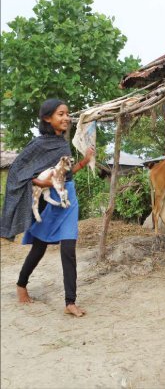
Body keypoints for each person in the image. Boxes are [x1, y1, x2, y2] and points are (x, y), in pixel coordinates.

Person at [0, 98, 95, 317]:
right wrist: (41, 182)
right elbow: (17, 172)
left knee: (68, 249)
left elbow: (66, 174)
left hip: (67, 200)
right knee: (39, 247)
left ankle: (70, 302)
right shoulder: (38, 144)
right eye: (60, 114)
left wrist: (84, 160)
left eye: (67, 114)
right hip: (49, 203)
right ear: (47, 118)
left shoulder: (63, 143)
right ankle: (21, 284)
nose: (66, 118)